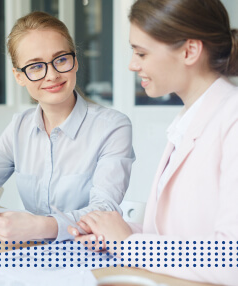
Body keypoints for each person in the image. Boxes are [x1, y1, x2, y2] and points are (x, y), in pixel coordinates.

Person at [0, 11, 135, 242]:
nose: (52, 75)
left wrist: (40, 226)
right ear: (19, 77)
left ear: (75, 61)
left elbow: (104, 212)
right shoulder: (19, 126)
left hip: (87, 257)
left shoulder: (113, 127)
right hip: (30, 253)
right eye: (36, 66)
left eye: (61, 60)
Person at [69, 0, 238, 284]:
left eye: (141, 53)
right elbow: (180, 234)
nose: (132, 65)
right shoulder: (189, 120)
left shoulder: (231, 120)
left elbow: (229, 257)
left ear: (189, 50)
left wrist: (128, 244)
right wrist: (119, 233)